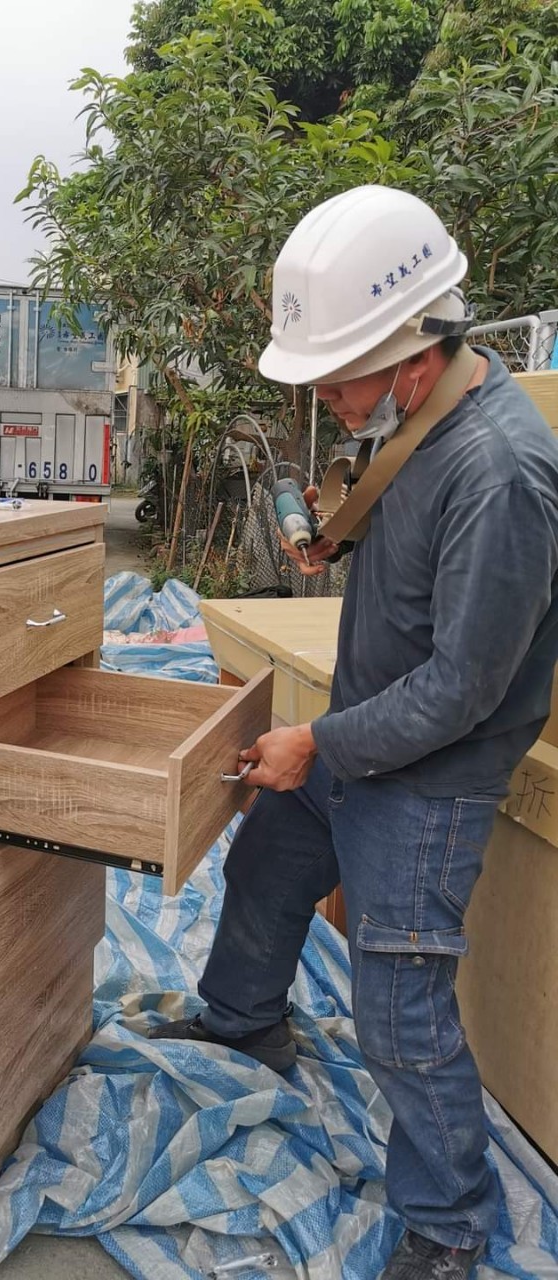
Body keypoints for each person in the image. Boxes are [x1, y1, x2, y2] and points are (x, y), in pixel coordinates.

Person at [149, 185, 558, 1280]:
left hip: (432, 774)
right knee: (269, 863)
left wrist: (319, 745)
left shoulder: (500, 473)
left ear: (412, 355)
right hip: (366, 728)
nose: (325, 397)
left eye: (338, 377)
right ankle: (244, 1020)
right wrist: (338, 536)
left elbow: (463, 688)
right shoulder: (422, 423)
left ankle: (449, 1220)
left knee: (398, 1008)